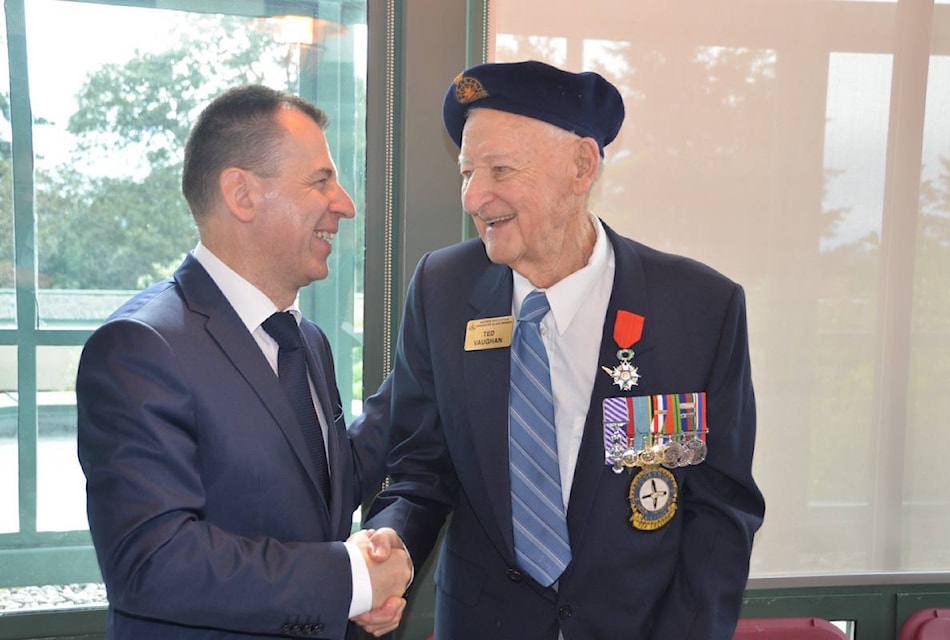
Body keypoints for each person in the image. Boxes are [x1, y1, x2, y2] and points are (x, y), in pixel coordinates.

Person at [359, 60, 765, 639]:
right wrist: (390, 547)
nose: (475, 196)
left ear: (581, 166)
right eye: (467, 171)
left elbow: (721, 509)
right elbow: (420, 468)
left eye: (499, 169)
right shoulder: (443, 289)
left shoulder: (700, 308)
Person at [77, 84, 410, 640]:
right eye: (321, 181)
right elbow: (153, 561)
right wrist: (348, 579)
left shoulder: (306, 339)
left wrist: (428, 359)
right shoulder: (139, 347)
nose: (346, 205)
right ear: (242, 194)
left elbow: (323, 484)